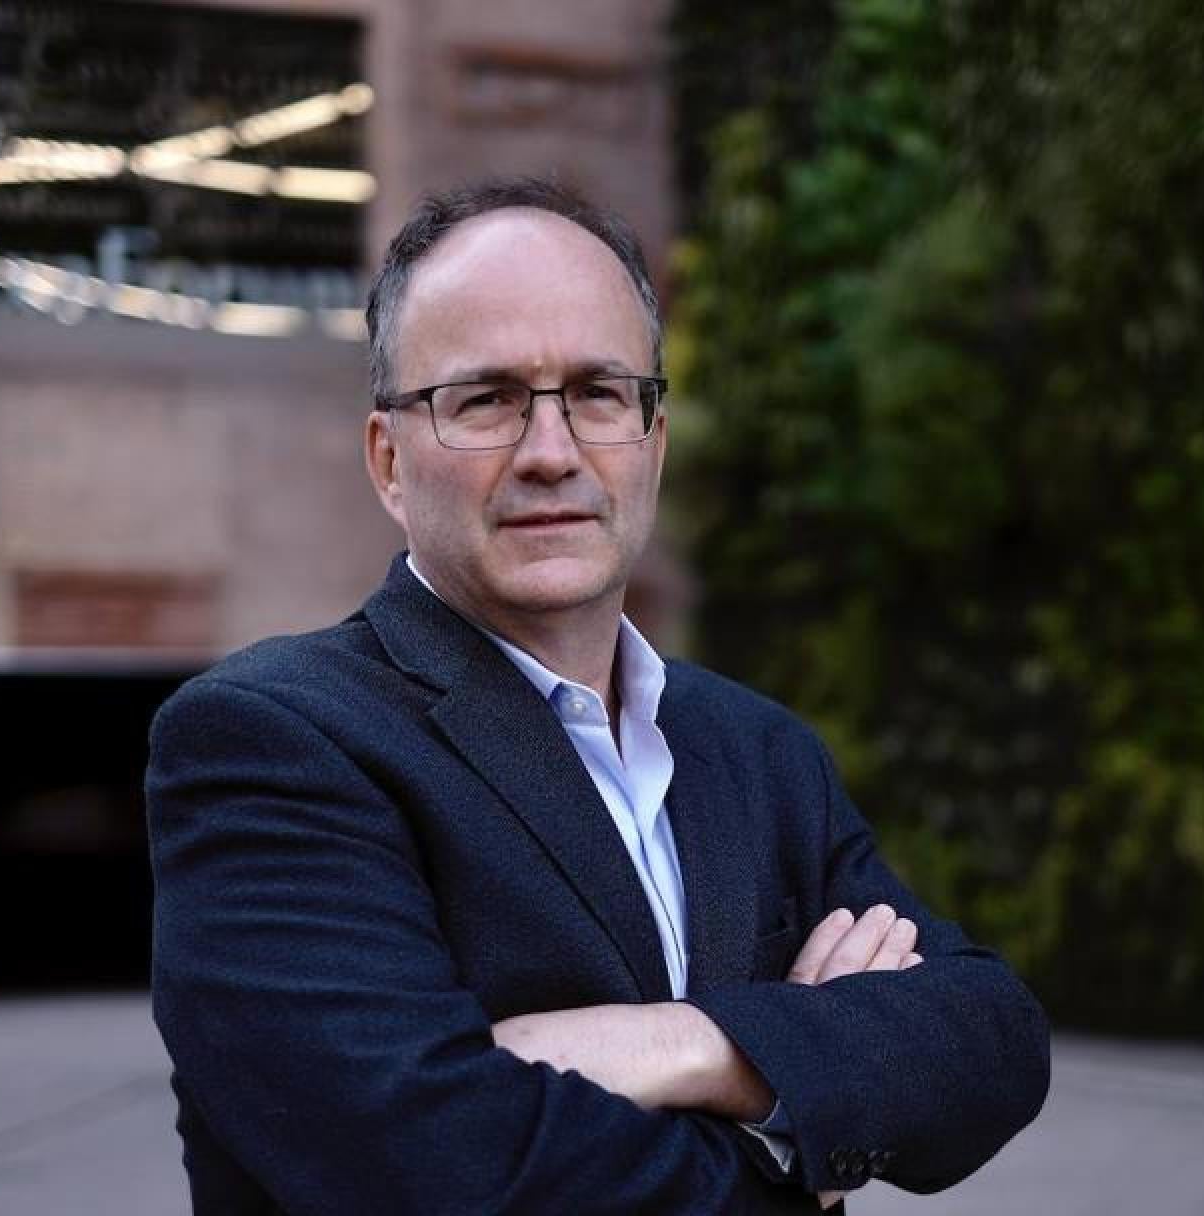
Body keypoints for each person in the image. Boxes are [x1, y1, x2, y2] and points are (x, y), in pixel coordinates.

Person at [146, 177, 1050, 1215]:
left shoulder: (758, 750)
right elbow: (431, 1170)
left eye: (598, 393)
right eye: (485, 399)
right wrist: (798, 1108)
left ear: (653, 439)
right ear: (389, 461)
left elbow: (991, 1037)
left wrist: (685, 1044)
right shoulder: (272, 742)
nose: (551, 452)